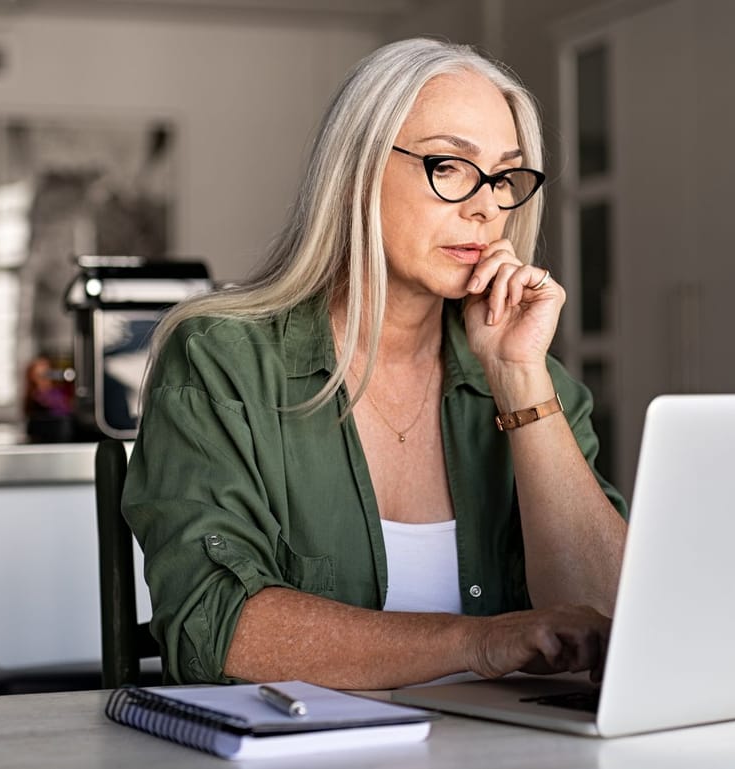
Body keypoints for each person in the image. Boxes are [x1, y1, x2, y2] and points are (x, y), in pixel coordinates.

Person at [122, 38, 628, 689]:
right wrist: (477, 640)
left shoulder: (534, 381)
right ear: (358, 169)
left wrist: (519, 380)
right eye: (449, 165)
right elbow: (215, 627)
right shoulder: (223, 360)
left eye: (504, 177)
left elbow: (615, 622)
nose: (487, 206)